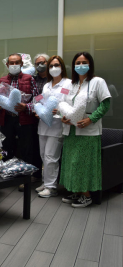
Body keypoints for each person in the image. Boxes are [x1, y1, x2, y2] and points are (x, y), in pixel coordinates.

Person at [60, 52, 111, 208]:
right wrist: (62, 117)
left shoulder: (98, 82)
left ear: (90, 64)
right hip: (71, 130)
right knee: (70, 163)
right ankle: (76, 191)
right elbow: (61, 102)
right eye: (78, 63)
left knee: (82, 163)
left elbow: (105, 104)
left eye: (84, 62)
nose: (81, 66)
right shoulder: (69, 84)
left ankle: (87, 195)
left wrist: (91, 119)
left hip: (88, 130)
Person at [0, 53, 42, 189]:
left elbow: (37, 100)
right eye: (11, 63)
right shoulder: (2, 80)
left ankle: (25, 179)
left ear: (21, 64)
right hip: (7, 119)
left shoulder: (29, 79)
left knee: (27, 149)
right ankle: (8, 177)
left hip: (25, 120)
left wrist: (26, 107)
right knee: (6, 148)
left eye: (17, 63)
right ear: (7, 65)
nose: (14, 65)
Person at [35, 55, 70, 198]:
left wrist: (60, 111)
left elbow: (69, 103)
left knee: (51, 156)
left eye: (57, 65)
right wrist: (38, 110)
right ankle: (46, 182)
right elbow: (42, 101)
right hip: (43, 125)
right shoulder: (46, 85)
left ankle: (52, 187)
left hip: (57, 126)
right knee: (43, 155)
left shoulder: (68, 84)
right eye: (51, 66)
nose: (54, 68)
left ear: (62, 67)